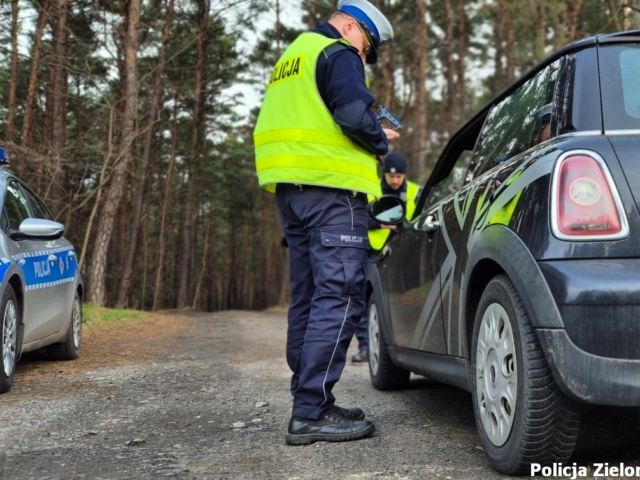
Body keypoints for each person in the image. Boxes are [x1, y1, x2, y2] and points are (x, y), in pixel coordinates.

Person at [253, 0, 398, 445]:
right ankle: (310, 412)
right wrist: (379, 142)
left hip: (292, 193)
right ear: (351, 26)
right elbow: (353, 115)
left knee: (311, 296)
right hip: (333, 193)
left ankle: (311, 400)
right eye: (366, 45)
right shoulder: (336, 52)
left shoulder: (293, 56)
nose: (363, 57)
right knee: (339, 296)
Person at [351, 151, 420, 362]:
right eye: (392, 177)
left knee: (405, 298)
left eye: (400, 176)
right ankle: (366, 346)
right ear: (384, 175)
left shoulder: (415, 192)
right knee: (363, 298)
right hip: (372, 252)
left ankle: (408, 347)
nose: (396, 180)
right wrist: (380, 223)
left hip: (403, 252)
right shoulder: (370, 189)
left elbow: (421, 217)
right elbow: (357, 217)